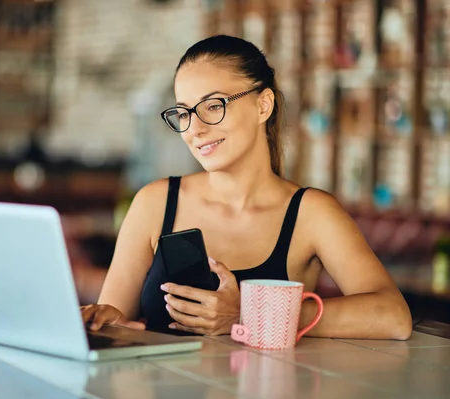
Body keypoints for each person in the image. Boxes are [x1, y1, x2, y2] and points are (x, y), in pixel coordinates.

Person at [81, 35, 412, 339]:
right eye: (183, 113)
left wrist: (249, 314)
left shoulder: (310, 213)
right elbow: (116, 320)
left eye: (213, 106)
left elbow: (393, 317)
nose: (193, 129)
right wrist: (102, 319)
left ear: (263, 105)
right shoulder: (155, 202)